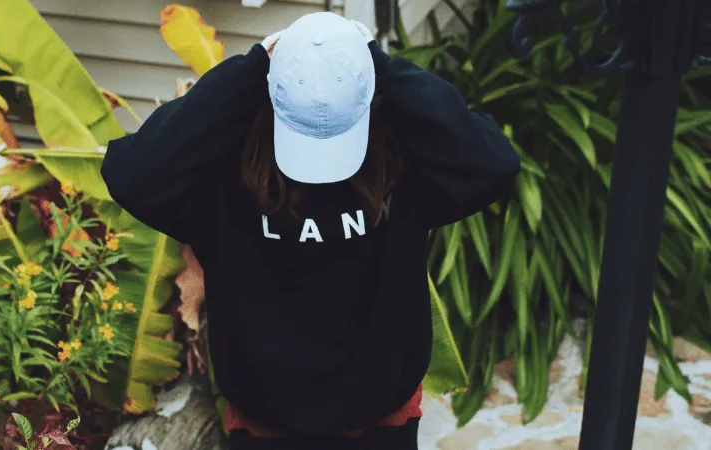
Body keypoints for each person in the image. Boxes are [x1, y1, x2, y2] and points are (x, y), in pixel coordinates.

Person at [101, 11, 520, 450]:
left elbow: (494, 164)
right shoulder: (405, 159)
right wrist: (379, 63)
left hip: (355, 421)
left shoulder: (223, 169)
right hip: (294, 423)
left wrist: (253, 66)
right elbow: (132, 175)